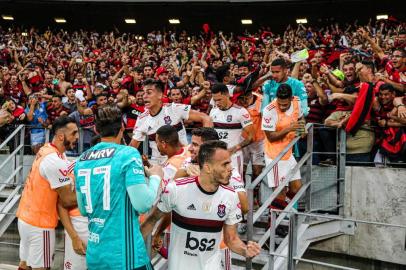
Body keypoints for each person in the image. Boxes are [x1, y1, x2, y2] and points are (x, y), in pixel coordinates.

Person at [141, 140, 261, 270]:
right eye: (225, 164)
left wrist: (244, 250)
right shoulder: (176, 189)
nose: (230, 168)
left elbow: (231, 239)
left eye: (230, 163)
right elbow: (150, 222)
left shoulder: (231, 197)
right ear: (208, 167)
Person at [74, 105, 163, 270]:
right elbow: (142, 204)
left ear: (96, 129)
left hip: (95, 254)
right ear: (122, 127)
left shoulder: (82, 159)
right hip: (124, 257)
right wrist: (156, 177)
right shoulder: (127, 154)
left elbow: (83, 209)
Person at [16, 116, 79, 270]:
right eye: (74, 133)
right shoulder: (54, 161)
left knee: (25, 264)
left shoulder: (47, 149)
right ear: (60, 136)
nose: (77, 137)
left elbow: (66, 164)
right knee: (42, 267)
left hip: (25, 217)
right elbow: (68, 200)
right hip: (40, 224)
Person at [130, 79, 212, 164]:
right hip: (160, 166)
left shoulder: (174, 108)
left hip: (183, 162)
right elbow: (132, 148)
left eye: (149, 93)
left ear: (160, 95)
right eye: (144, 93)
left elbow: (206, 118)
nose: (144, 96)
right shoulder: (142, 119)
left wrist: (204, 147)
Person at [261, 84, 304, 208]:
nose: (282, 106)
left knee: (296, 188)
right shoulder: (269, 110)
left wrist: (302, 129)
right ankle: (275, 222)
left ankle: (280, 207)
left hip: (288, 152)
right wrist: (289, 128)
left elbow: (301, 118)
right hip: (274, 155)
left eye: (285, 104)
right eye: (280, 103)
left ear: (291, 98)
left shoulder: (297, 102)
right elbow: (271, 137)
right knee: (280, 191)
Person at [209, 83, 254, 179]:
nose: (217, 103)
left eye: (219, 99)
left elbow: (251, 137)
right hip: (217, 156)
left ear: (227, 95)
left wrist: (234, 149)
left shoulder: (241, 112)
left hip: (233, 156)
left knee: (236, 186)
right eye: (215, 100)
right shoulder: (213, 112)